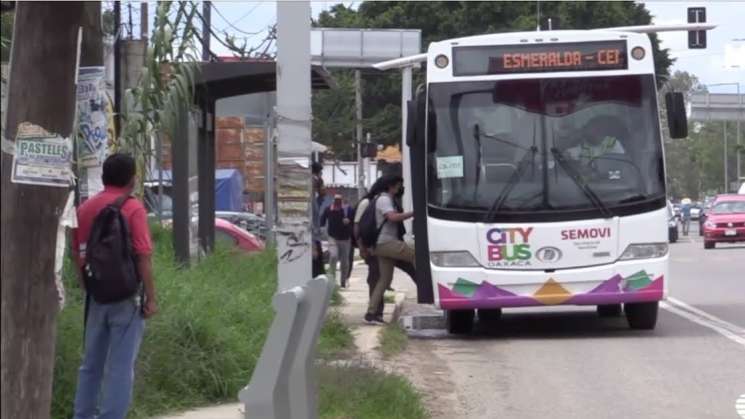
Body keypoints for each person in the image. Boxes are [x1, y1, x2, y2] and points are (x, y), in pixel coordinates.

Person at [71, 153, 157, 419]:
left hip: (96, 295)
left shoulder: (84, 208)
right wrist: (151, 297)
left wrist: (87, 286)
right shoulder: (133, 209)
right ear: (132, 179)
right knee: (120, 367)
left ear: (105, 177)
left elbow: (77, 253)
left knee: (91, 365)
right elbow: (143, 256)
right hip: (127, 298)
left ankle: (83, 415)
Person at [364, 175, 415, 324]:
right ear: (390, 185)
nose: (399, 188)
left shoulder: (384, 199)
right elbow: (392, 217)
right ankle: (430, 290)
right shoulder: (384, 199)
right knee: (418, 255)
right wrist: (412, 214)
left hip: (382, 245)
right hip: (386, 243)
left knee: (384, 280)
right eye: (398, 185)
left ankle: (371, 313)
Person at [321, 194, 354, 287]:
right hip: (333, 237)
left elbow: (355, 221)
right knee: (334, 256)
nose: (337, 202)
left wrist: (349, 221)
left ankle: (343, 281)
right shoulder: (328, 209)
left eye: (339, 200)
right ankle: (332, 280)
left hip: (345, 238)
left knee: (344, 261)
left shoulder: (349, 210)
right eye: (336, 200)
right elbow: (322, 221)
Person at [311, 162, 326, 278]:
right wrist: (313, 246)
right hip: (312, 240)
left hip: (315, 239)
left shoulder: (315, 200)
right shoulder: (310, 201)